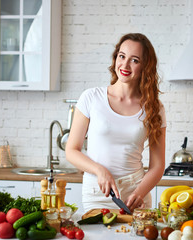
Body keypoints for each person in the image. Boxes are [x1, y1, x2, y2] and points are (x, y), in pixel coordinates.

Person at [65, 33, 166, 213]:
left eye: (134, 60)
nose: (125, 65)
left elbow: (157, 165)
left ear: (145, 66)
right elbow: (71, 150)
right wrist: (99, 170)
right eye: (122, 56)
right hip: (98, 192)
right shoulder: (91, 98)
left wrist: (140, 193)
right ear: (116, 58)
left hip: (135, 192)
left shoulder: (154, 107)